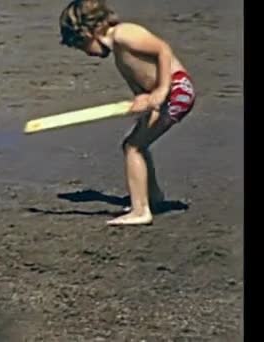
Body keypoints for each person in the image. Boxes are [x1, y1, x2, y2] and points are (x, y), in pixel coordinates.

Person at [59, 0, 196, 226]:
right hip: (163, 94)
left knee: (134, 147)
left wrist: (161, 91)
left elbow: (162, 49)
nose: (87, 53)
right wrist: (143, 98)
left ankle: (140, 211)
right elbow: (141, 77)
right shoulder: (120, 52)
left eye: (82, 46)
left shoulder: (124, 34)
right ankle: (152, 197)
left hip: (176, 90)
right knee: (135, 144)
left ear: (89, 32)